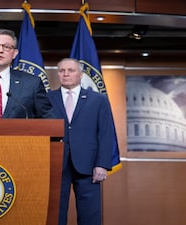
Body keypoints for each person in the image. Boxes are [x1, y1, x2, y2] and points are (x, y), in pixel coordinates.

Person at [47, 58, 115, 225]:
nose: (66, 74)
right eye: (62, 71)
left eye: (71, 70)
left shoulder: (98, 100)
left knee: (90, 214)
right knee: (55, 212)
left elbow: (106, 133)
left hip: (89, 165)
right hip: (55, 163)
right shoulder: (46, 98)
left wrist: (102, 164)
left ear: (80, 74)